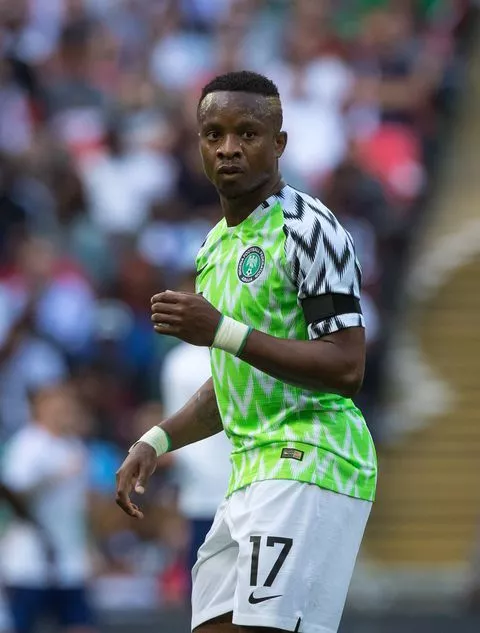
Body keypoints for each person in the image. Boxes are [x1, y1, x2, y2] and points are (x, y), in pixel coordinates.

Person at [116, 70, 377, 633]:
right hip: (247, 470)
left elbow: (346, 366)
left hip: (311, 457)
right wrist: (156, 440)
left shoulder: (310, 228)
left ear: (278, 143)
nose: (229, 148)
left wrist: (221, 329)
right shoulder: (214, 247)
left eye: (247, 134)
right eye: (214, 134)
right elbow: (235, 377)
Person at [0, 384, 96, 633]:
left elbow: (81, 506)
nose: (64, 413)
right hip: (30, 558)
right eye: (57, 407)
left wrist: (91, 547)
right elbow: (13, 493)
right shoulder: (28, 444)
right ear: (40, 410)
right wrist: (52, 476)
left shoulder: (74, 446)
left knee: (80, 624)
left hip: (69, 558)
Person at [160, 271, 231, 574]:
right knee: (206, 590)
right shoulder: (178, 363)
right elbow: (176, 424)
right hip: (201, 492)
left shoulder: (240, 349)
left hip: (247, 483)